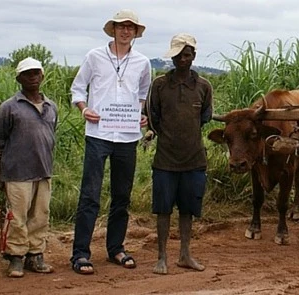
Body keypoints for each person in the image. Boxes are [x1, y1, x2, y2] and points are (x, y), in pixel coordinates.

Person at [69, 9, 152, 275]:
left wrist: (141, 116)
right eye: (121, 27)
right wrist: (84, 109)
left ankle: (116, 247)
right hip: (98, 134)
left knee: (121, 196)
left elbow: (143, 94)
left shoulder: (142, 62)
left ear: (135, 33)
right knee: (90, 195)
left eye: (130, 28)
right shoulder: (94, 57)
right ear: (113, 30)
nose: (125, 31)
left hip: (127, 137)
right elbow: (78, 88)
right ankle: (80, 253)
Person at [145, 33, 213, 275]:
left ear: (193, 56)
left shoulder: (204, 86)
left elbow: (204, 117)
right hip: (165, 159)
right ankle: (161, 257)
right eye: (177, 56)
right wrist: (165, 134)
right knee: (163, 210)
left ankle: (185, 254)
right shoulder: (160, 85)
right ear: (172, 58)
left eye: (186, 55)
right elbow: (152, 116)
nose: (182, 60)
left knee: (188, 209)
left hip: (194, 159)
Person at [0, 57, 57, 278]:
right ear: (19, 78)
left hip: (43, 170)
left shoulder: (50, 106)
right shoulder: (9, 108)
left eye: (36, 73)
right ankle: (16, 257)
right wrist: (1, 172)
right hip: (16, 172)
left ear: (42, 76)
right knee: (17, 216)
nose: (33, 77)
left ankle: (35, 255)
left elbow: (50, 137)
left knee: (41, 215)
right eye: (27, 74)